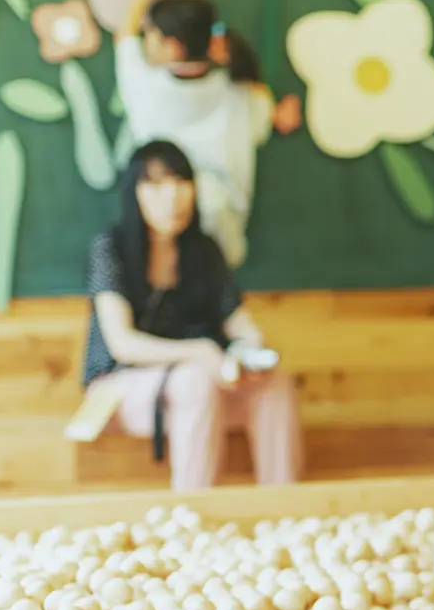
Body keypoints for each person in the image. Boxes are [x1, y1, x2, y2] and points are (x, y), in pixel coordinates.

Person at [80, 141, 303, 493]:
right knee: (195, 379)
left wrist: (248, 355)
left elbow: (241, 325)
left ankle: (284, 509)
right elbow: (122, 344)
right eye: (155, 183)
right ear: (133, 192)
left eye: (181, 181)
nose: (172, 195)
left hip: (200, 386)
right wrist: (199, 352)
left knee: (273, 384)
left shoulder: (204, 252)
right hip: (121, 389)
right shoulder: (111, 248)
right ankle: (192, 512)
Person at [116, 0, 302, 270]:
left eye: (150, 33)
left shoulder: (146, 86)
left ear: (172, 46)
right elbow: (263, 116)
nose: (144, 40)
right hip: (224, 239)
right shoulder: (239, 90)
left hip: (162, 242)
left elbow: (123, 38)